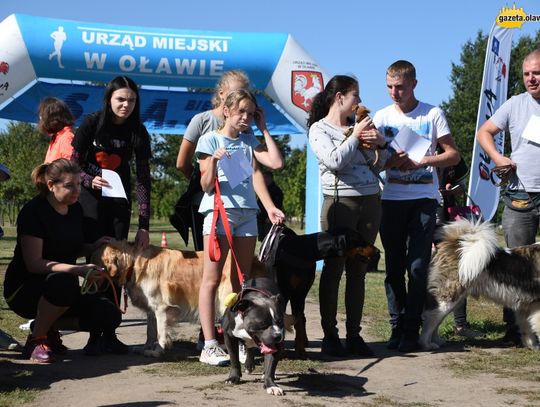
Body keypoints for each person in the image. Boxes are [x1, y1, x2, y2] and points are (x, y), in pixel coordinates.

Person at [373, 60, 460, 353]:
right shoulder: (381, 117)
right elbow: (371, 163)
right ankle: (397, 326)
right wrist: (389, 162)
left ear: (414, 85)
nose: (394, 93)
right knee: (394, 267)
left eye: (400, 87)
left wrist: (425, 160)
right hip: (391, 200)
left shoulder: (432, 113)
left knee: (418, 267)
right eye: (389, 87)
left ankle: (412, 328)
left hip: (423, 199)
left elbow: (453, 155)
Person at [195, 89, 285, 365]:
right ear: (226, 111)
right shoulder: (209, 139)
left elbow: (273, 165)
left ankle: (238, 338)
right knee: (211, 279)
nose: (245, 117)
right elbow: (205, 185)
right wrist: (213, 161)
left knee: (240, 281)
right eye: (241, 112)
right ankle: (210, 343)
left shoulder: (250, 140)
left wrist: (264, 128)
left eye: (250, 113)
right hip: (219, 212)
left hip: (247, 214)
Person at [3, 159, 120, 363]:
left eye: (77, 184)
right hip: (24, 289)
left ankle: (47, 327)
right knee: (63, 282)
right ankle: (37, 339)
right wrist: (76, 270)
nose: (76, 190)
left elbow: (70, 249)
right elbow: (34, 263)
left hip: (60, 286)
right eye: (69, 185)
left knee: (108, 314)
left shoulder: (75, 209)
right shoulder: (33, 211)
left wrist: (92, 247)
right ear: (51, 185)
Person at [308, 75, 389, 357]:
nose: (360, 102)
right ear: (340, 96)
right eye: (356, 96)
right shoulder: (319, 129)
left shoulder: (358, 127)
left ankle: (354, 334)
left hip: (370, 201)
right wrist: (354, 137)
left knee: (359, 271)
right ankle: (330, 335)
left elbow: (383, 164)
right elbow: (334, 160)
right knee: (334, 270)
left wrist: (379, 143)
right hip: (340, 204)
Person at [172, 70, 283, 250]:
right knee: (207, 260)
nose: (239, 99)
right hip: (206, 201)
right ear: (221, 94)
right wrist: (204, 179)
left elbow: (253, 171)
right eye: (234, 94)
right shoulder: (203, 120)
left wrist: (268, 205)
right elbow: (181, 163)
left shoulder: (245, 129)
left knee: (236, 266)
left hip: (239, 205)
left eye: (243, 95)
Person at [476, 48, 540, 346]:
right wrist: (498, 158)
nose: (531, 78)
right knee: (516, 267)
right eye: (527, 73)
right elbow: (484, 132)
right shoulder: (515, 104)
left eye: (536, 72)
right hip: (520, 194)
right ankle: (515, 331)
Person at [71, 75, 151, 250]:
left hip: (119, 198)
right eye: (120, 99)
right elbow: (73, 164)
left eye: (131, 100)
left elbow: (143, 179)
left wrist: (144, 226)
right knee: (95, 252)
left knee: (117, 254)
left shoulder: (139, 131)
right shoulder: (91, 123)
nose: (126, 105)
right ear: (108, 99)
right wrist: (88, 180)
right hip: (90, 196)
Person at [38, 97, 75, 163]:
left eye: (42, 116)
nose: (40, 119)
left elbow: (72, 168)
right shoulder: (56, 138)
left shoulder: (66, 138)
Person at [257, 170, 284, 241]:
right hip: (261, 219)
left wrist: (269, 218)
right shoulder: (263, 189)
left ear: (270, 178)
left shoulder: (276, 191)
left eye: (265, 177)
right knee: (262, 239)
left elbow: (278, 205)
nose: (263, 180)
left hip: (269, 220)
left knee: (269, 238)